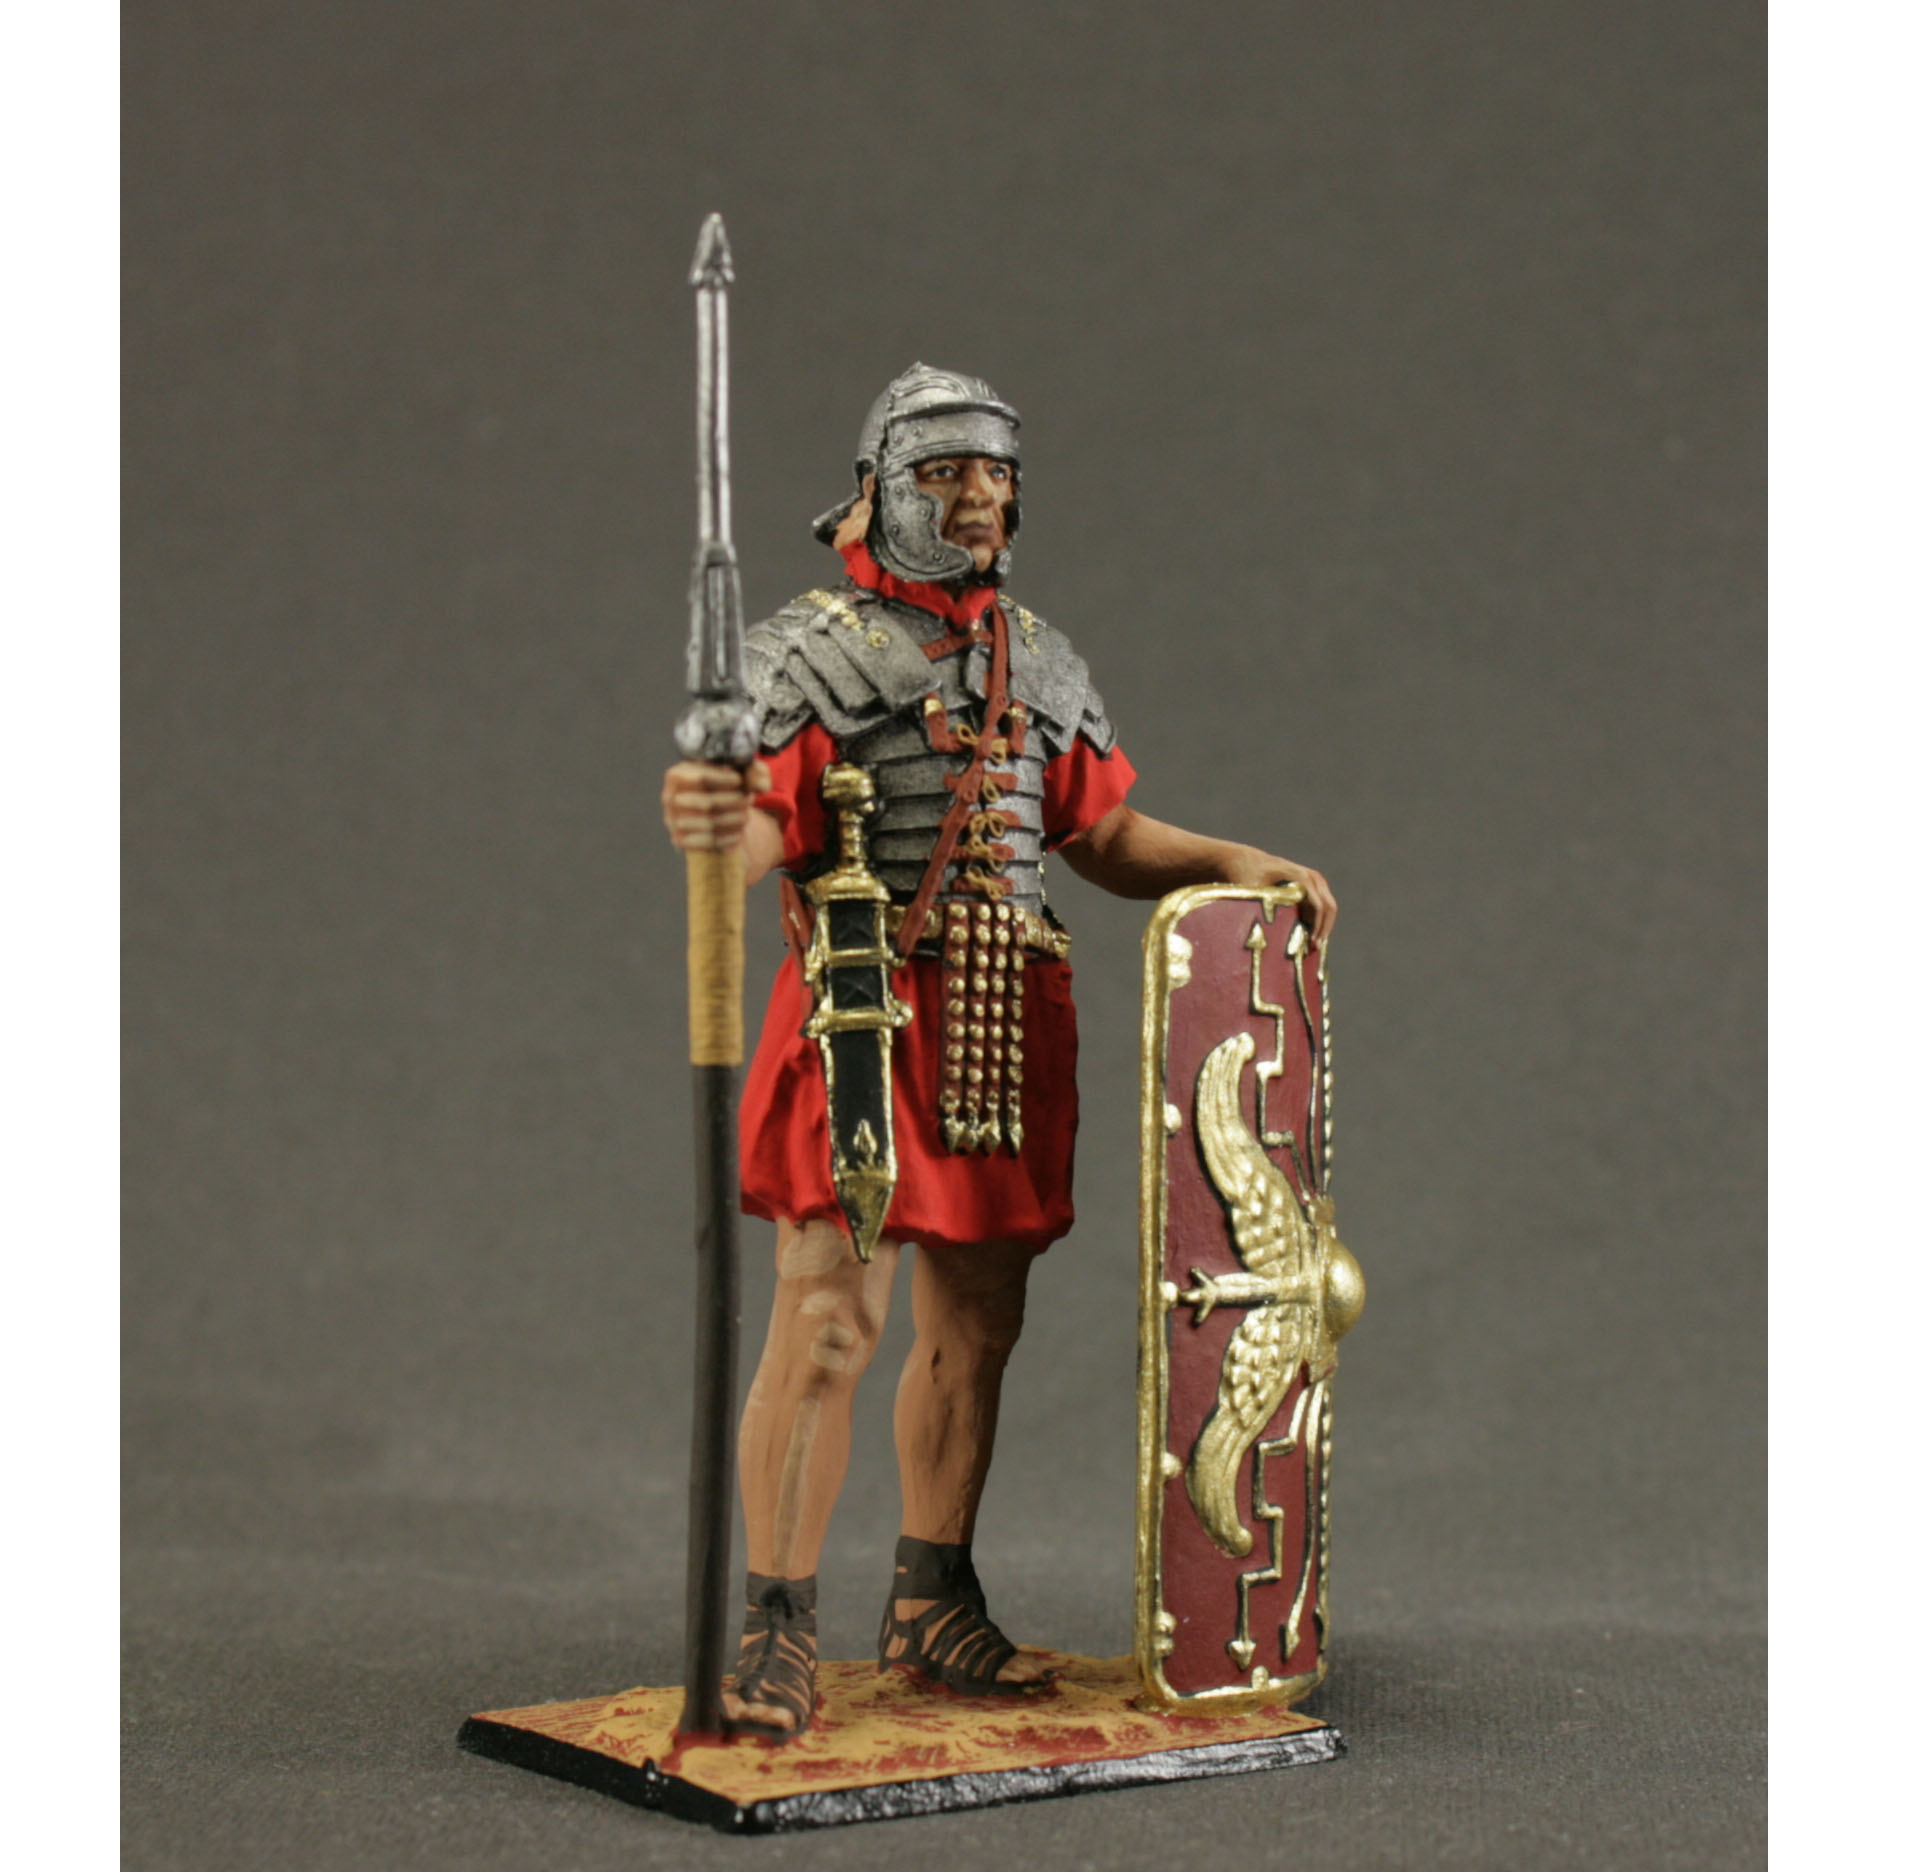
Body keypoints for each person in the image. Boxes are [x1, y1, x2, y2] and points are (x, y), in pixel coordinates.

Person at [661, 365, 1336, 1739]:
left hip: (1002, 1020)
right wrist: (717, 823)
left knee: (978, 1329)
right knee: (829, 1319)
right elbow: (757, 832)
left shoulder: (1040, 658)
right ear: (876, 490)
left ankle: (932, 1601)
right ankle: (778, 1625)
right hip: (863, 1018)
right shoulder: (806, 650)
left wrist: (1231, 860)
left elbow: (1100, 836)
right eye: (945, 474)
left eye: (995, 475)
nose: (979, 499)